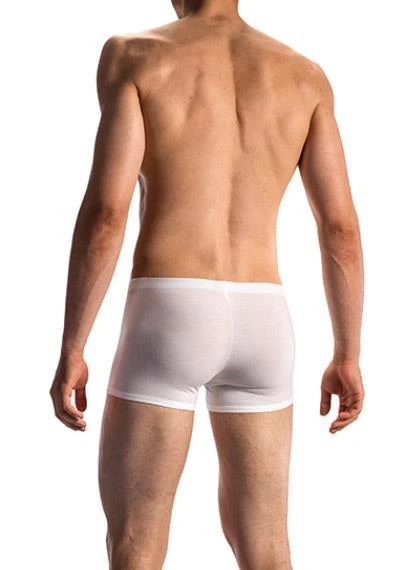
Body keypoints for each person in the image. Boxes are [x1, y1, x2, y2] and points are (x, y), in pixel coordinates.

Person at [49, 0, 365, 568]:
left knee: (136, 543)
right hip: (265, 320)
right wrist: (347, 353)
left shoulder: (134, 55)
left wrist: (73, 345)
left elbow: (106, 214)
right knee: (266, 547)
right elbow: (340, 230)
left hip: (169, 311)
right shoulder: (305, 76)